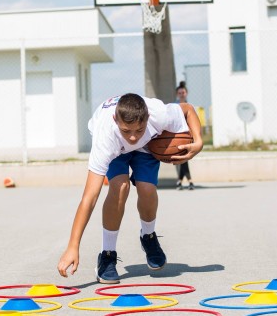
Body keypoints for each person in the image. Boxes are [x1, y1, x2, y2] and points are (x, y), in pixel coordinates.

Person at [57, 93, 202, 284]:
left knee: (147, 189)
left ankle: (148, 236)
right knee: (120, 187)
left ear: (148, 118)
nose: (133, 137)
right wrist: (73, 246)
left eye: (139, 130)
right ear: (115, 120)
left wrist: (198, 142)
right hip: (116, 149)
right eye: (127, 131)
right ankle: (107, 254)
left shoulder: (159, 114)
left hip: (147, 147)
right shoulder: (105, 137)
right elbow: (89, 198)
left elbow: (188, 109)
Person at [175, 81, 195, 190]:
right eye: (180, 93)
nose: (182, 94)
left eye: (183, 92)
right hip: (179, 135)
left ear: (186, 93)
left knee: (184, 158)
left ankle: (181, 181)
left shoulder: (190, 106)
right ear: (177, 94)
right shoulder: (175, 106)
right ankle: (188, 181)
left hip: (188, 135)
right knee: (184, 158)